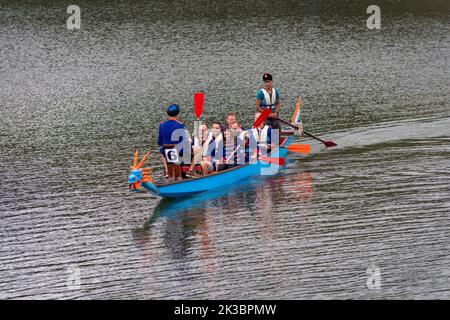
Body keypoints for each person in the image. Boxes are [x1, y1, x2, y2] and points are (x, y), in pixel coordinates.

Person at [157, 104, 187, 179]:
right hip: (178, 153)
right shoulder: (180, 125)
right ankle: (190, 171)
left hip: (166, 152)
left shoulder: (162, 125)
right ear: (178, 114)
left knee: (163, 152)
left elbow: (159, 142)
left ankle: (167, 171)